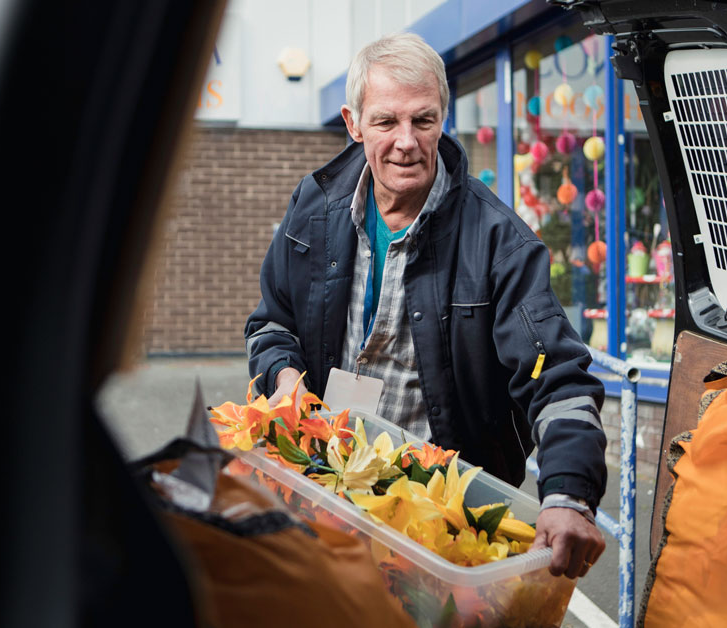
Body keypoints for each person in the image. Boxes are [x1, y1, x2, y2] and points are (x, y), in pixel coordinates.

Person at [245, 32, 607, 578]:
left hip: (444, 523)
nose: (406, 142)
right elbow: (270, 323)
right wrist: (284, 377)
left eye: (424, 120)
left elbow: (557, 377)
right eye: (386, 122)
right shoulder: (313, 206)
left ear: (444, 119)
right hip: (325, 487)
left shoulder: (499, 241)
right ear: (353, 123)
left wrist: (567, 494)